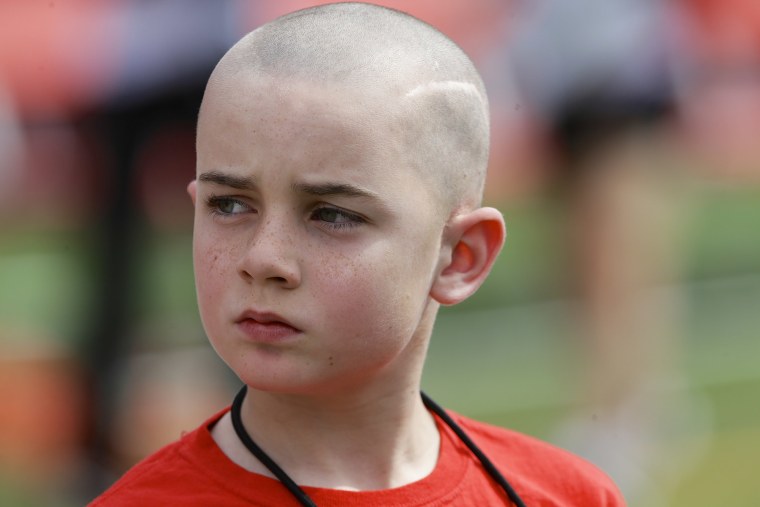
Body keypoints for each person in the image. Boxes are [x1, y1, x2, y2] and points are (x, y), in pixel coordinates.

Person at [89, 3, 624, 506]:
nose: (264, 257)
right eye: (229, 205)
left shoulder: (566, 495)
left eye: (332, 215)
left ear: (460, 256)